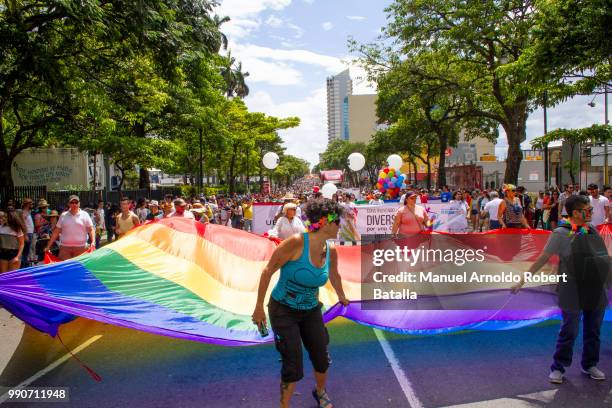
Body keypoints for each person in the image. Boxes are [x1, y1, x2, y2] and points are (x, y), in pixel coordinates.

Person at [251, 199, 349, 408]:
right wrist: (259, 307)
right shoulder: (296, 243)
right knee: (293, 363)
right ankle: (284, 405)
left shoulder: (331, 251)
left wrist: (342, 295)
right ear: (324, 222)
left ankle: (320, 392)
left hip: (310, 310)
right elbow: (268, 270)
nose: (340, 225)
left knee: (321, 356)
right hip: (283, 310)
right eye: (337, 221)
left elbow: (334, 275)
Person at [512, 195, 610, 383]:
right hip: (571, 287)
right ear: (575, 212)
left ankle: (590, 364)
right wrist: (522, 280)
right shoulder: (560, 233)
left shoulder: (593, 231)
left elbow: (602, 257)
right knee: (569, 329)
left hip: (595, 288)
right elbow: (543, 258)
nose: (591, 212)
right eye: (587, 210)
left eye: (590, 209)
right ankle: (559, 367)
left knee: (594, 330)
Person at [45, 195, 95, 261]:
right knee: (64, 269)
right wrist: (48, 246)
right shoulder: (63, 215)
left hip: (81, 248)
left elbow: (91, 229)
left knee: (79, 269)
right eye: (72, 202)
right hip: (65, 249)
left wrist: (93, 242)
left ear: (79, 203)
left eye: (76, 202)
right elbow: (56, 232)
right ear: (68, 204)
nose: (74, 204)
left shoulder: (85, 214)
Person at [20, 198, 34, 266]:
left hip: (29, 233)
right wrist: (25, 234)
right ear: (27, 204)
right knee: (25, 251)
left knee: (27, 251)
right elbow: (23, 224)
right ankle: (23, 266)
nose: (32, 205)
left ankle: (25, 265)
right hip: (27, 233)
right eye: (30, 203)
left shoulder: (28, 212)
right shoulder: (24, 212)